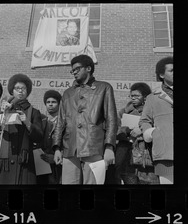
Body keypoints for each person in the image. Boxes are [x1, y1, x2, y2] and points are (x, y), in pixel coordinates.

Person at [52, 54, 117, 184]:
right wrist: (57, 148)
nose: (74, 72)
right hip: (69, 147)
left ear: (88, 68)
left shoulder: (104, 88)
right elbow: (60, 121)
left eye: (77, 69)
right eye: (72, 70)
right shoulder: (68, 93)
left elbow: (111, 119)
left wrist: (109, 147)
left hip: (93, 145)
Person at [0, 74, 43, 185]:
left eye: (23, 88)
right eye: (17, 88)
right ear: (12, 91)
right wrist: (1, 116)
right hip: (4, 163)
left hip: (23, 162)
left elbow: (39, 136)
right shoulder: (3, 108)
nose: (20, 91)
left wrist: (27, 122)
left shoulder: (34, 112)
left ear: (28, 91)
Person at [113, 82, 159, 184]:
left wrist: (142, 130)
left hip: (147, 157)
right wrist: (127, 130)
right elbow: (114, 129)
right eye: (131, 95)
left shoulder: (154, 112)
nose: (133, 98)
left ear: (145, 97)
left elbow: (160, 129)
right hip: (127, 157)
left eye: (136, 96)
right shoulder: (123, 112)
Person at [139, 57, 173, 184]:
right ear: (161, 74)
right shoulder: (152, 98)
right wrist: (151, 132)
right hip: (165, 153)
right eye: (172, 70)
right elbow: (144, 121)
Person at [37, 90, 63, 184]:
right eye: (48, 102)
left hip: (58, 167)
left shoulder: (64, 123)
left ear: (59, 104)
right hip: (41, 166)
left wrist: (58, 157)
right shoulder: (42, 121)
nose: (50, 104)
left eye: (53, 102)